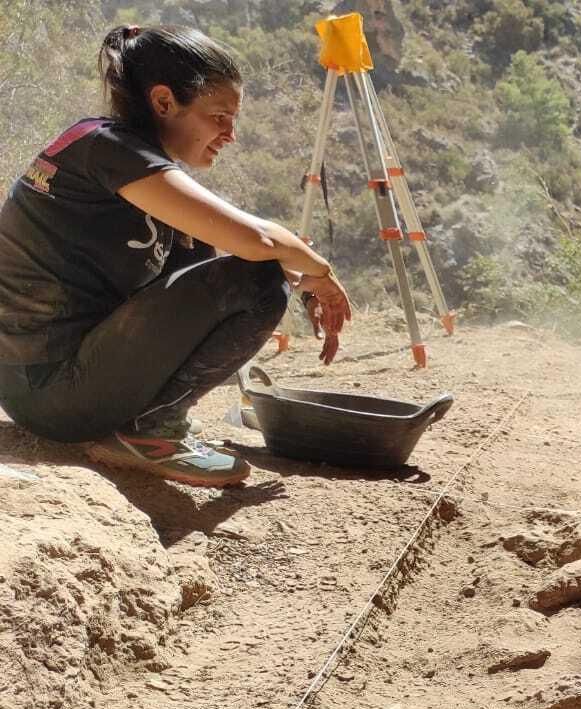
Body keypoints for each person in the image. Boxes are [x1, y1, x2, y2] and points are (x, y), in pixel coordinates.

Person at [0, 25, 351, 487]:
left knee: (229, 261)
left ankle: (144, 422)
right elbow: (259, 242)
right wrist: (319, 272)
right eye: (220, 116)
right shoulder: (110, 149)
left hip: (38, 386)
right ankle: (149, 432)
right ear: (164, 102)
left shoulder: (115, 152)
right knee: (260, 281)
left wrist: (297, 280)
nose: (231, 134)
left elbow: (212, 268)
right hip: (53, 392)